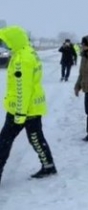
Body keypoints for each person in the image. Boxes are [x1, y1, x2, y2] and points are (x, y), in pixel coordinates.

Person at [0, 26, 57, 186]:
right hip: (32, 108)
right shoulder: (28, 52)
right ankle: (48, 165)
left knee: (4, 142)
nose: (5, 43)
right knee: (36, 138)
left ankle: (48, 166)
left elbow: (22, 90)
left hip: (21, 109)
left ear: (14, 40)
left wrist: (19, 113)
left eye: (6, 40)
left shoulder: (21, 60)